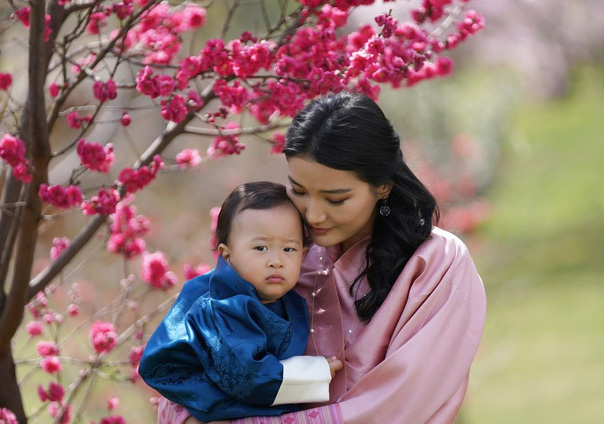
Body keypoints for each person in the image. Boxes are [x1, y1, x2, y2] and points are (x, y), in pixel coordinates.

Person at [159, 91, 487, 424]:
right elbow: (190, 361)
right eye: (298, 191)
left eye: (336, 199)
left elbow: (398, 406)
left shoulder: (435, 264)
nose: (313, 215)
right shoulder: (281, 253)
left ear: (383, 187)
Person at [140, 182, 342, 422]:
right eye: (261, 248)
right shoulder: (222, 305)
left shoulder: (285, 298)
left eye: (288, 249)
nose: (276, 260)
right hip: (209, 397)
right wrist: (314, 373)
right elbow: (245, 374)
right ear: (227, 255)